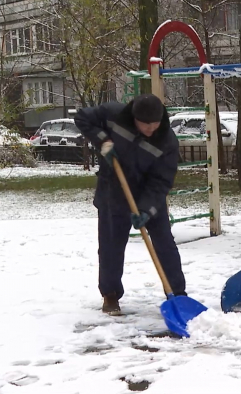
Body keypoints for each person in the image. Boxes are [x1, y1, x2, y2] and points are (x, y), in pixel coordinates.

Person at [74, 94, 186, 315]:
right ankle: (110, 294)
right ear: (135, 118)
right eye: (146, 124)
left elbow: (161, 182)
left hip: (148, 192)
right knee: (111, 245)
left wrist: (147, 210)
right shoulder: (114, 114)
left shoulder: (167, 142)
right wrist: (103, 141)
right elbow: (82, 118)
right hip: (113, 189)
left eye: (155, 123)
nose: (151, 129)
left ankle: (178, 294)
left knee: (165, 243)